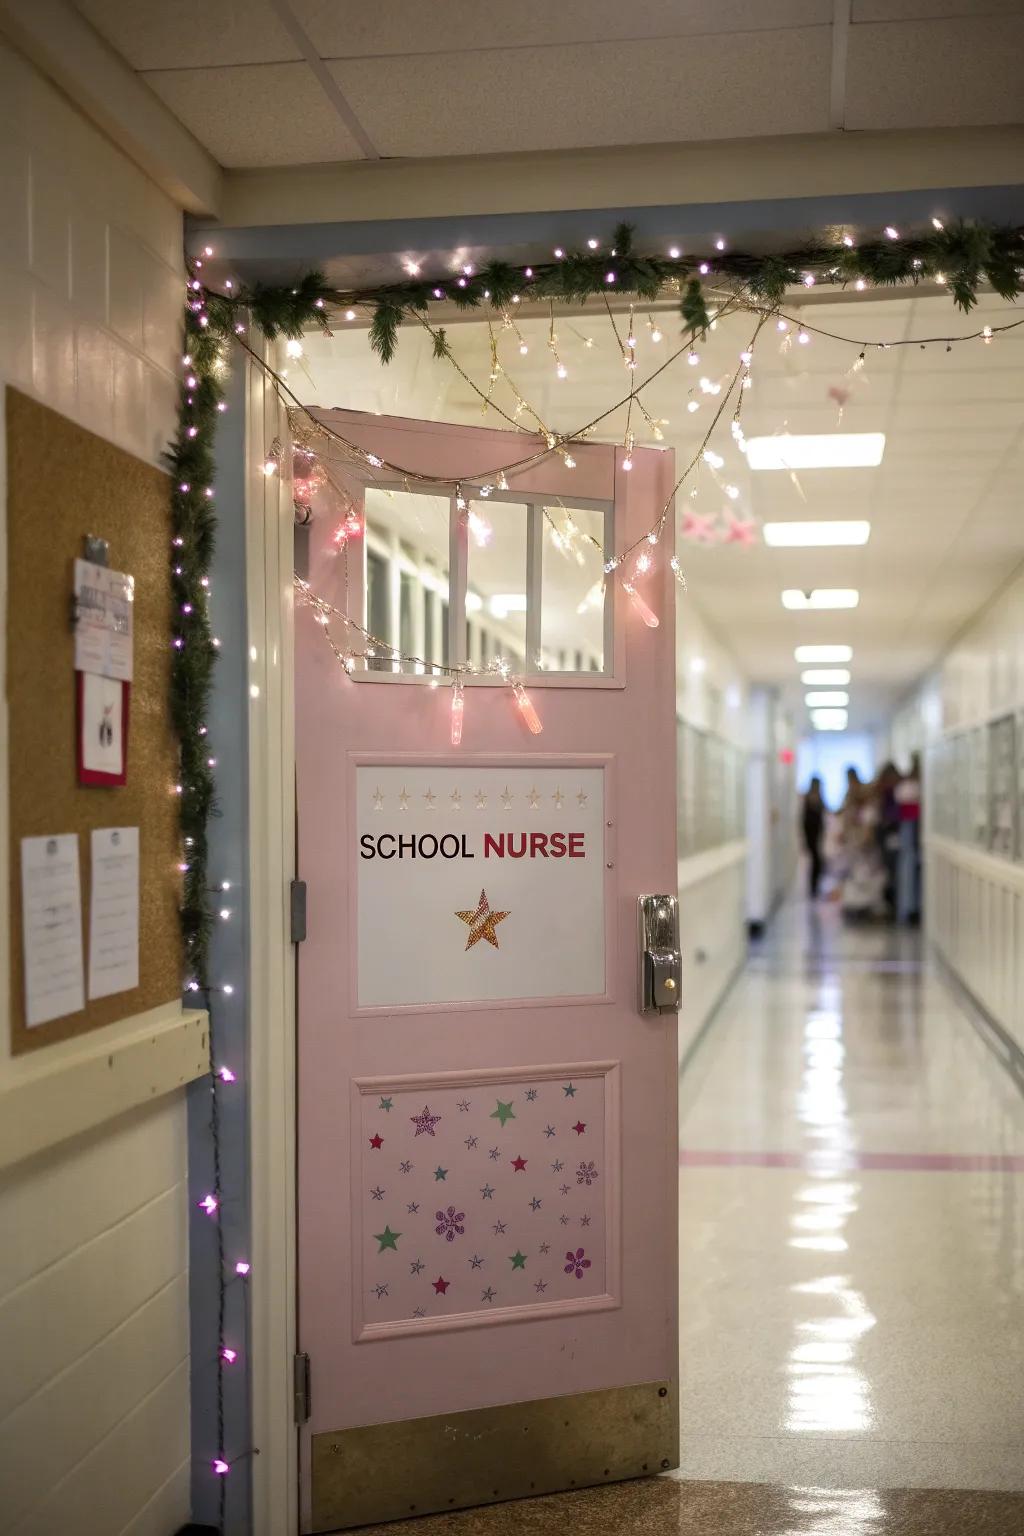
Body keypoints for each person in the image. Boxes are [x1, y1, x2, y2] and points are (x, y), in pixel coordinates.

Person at [801, 777, 826, 898]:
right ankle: (813, 887)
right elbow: (804, 820)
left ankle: (816, 886)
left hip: (818, 835)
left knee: (818, 861)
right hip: (811, 835)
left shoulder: (820, 798)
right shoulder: (808, 799)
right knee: (815, 861)